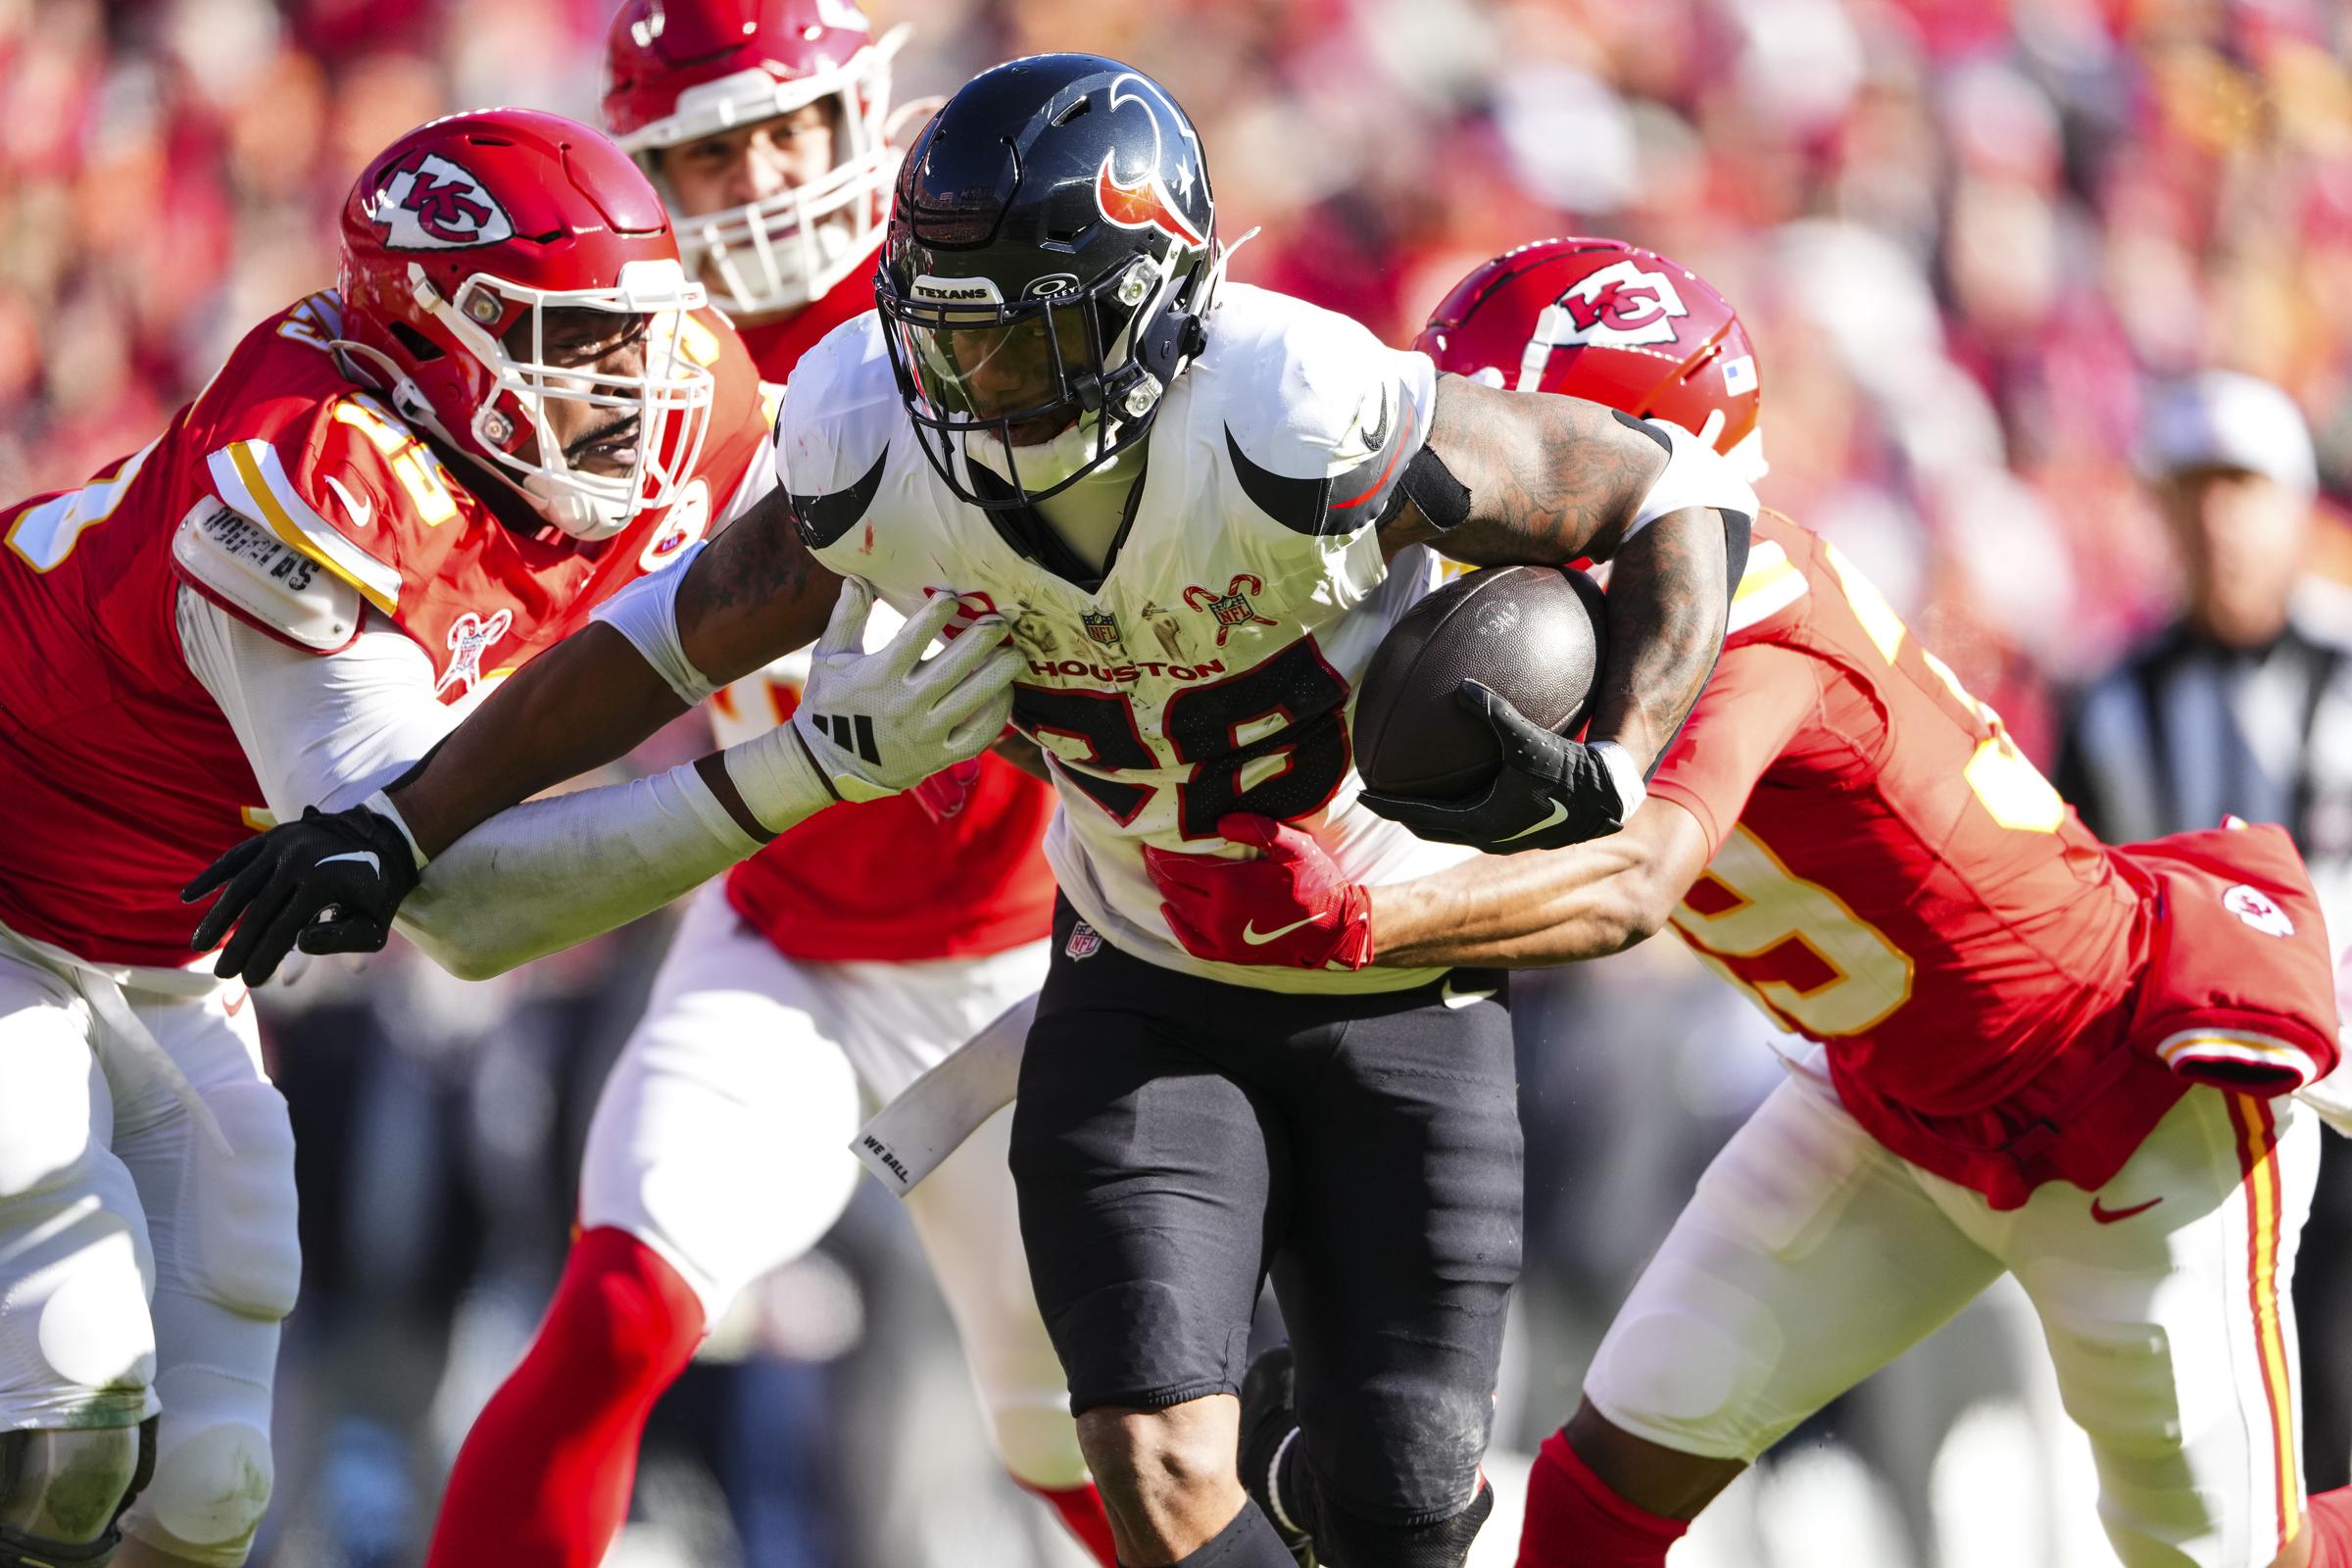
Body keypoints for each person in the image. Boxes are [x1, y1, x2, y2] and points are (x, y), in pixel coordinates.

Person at [183, 56, 1757, 1568]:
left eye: (1009, 336)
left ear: (1149, 303)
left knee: (1377, 1501)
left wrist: (1622, 747)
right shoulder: (874, 427)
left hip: (1303, 967)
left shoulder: (1296, 405)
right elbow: (659, 641)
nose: (961, 374)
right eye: (936, 329)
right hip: (1084, 970)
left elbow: (1664, 480)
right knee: (1127, 1454)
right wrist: (405, 817)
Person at [1147, 236, 2352, 1568]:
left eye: (1513, 424)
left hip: (2117, 1113)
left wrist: (1362, 923)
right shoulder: (1582, 631)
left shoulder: (1755, 601)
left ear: (1642, 444)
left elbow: (1635, 883)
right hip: (1886, 1109)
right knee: (1594, 1498)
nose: (1476, 473)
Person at [0, 106, 876, 1568]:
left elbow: (826, 524)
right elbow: (453, 903)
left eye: (633, 330)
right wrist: (798, 775)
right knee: (71, 1398)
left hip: (165, 936)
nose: (630, 381)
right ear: (429, 340)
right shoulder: (307, 474)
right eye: (570, 339)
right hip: (17, 887)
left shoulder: (670, 394)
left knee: (210, 1484)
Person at [412, 7, 1110, 1567]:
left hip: (1030, 963)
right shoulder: (630, 367)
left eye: (791, 125)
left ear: (867, 110)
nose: (768, 173)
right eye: (715, 146)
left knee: (1101, 1448)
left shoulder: (1005, 303)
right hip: (787, 944)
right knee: (619, 1307)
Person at [2054, 370, 2352, 1491]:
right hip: (2196, 1105)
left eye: (2242, 487)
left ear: (2294, 503)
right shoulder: (2110, 697)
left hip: (2348, 1095)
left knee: (2333, 1407)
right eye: (2193, 491)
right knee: (2219, 1438)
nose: (2219, 519)